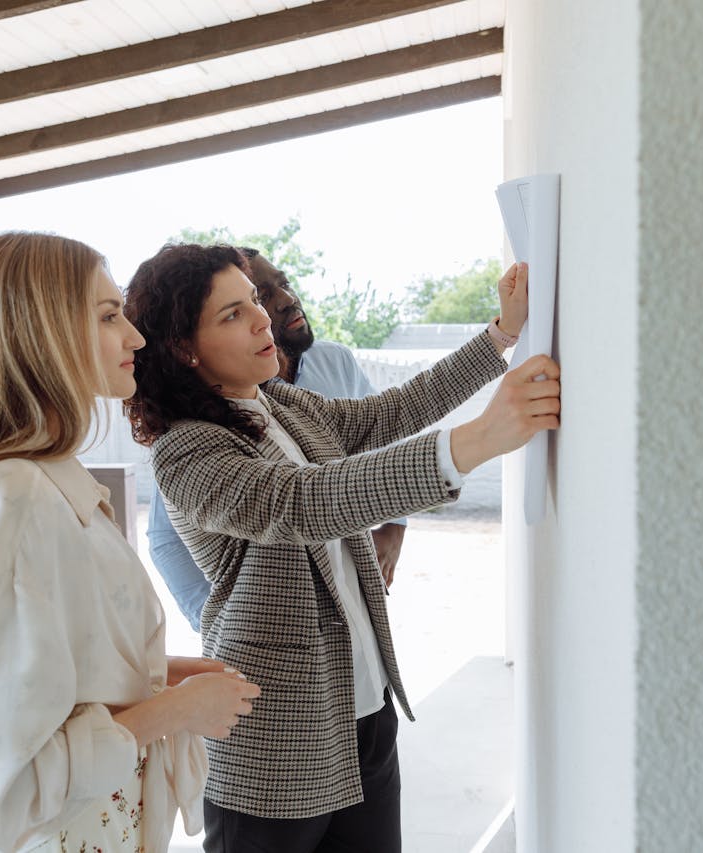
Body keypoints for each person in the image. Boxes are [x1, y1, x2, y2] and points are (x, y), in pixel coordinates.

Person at [122, 243, 559, 852]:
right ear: (182, 348)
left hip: (363, 706)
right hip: (275, 738)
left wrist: (502, 334)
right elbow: (304, 502)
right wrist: (480, 437)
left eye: (253, 301)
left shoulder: (277, 403)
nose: (261, 318)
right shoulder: (186, 450)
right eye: (231, 314)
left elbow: (389, 413)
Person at [0, 232, 261, 853]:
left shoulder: (43, 482)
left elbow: (50, 680)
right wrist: (175, 711)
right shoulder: (11, 499)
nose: (135, 337)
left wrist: (162, 676)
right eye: (107, 316)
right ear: (39, 333)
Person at [147, 248, 406, 631]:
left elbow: (383, 425)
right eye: (241, 308)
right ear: (189, 347)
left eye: (265, 293)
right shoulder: (189, 441)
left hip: (352, 615)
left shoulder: (321, 371)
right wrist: (225, 629)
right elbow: (308, 500)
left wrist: (394, 524)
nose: (279, 304)